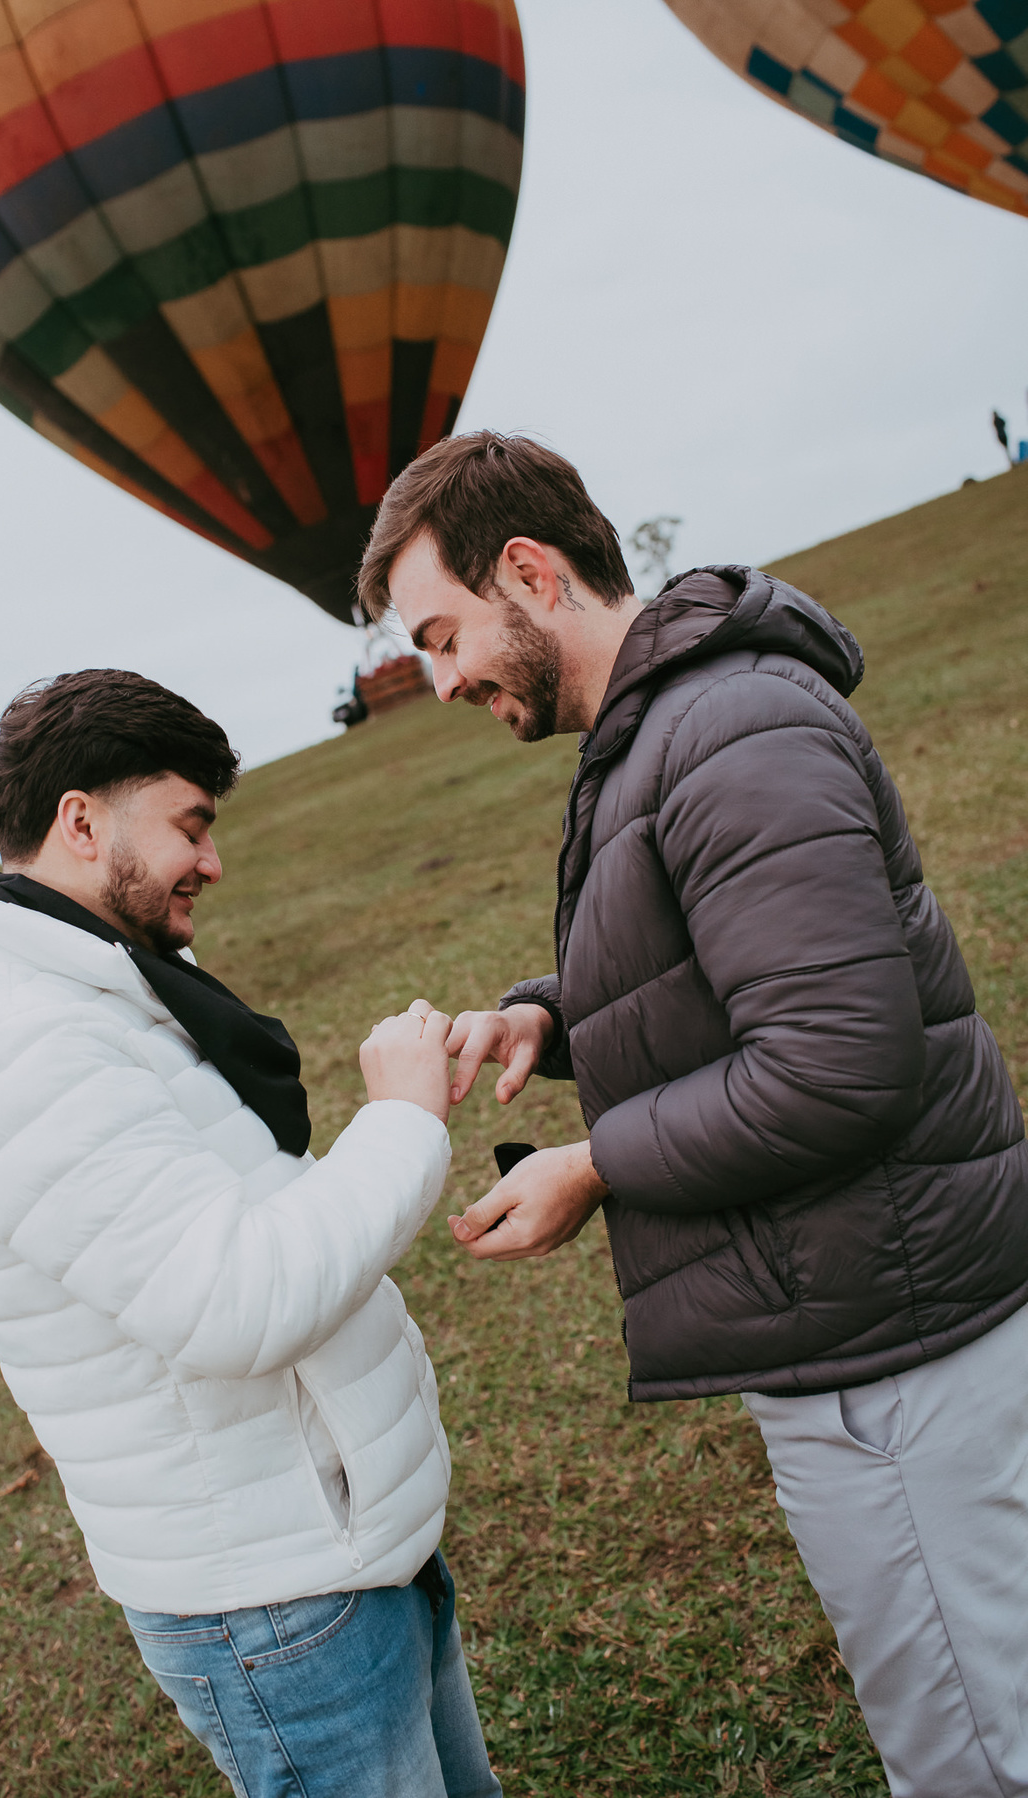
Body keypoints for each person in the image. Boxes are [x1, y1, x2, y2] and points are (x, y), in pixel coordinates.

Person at [360, 431, 1028, 1798]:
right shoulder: (664, 726)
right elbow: (722, 945)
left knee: (970, 1748)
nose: (434, 682)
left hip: (891, 1353)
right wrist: (549, 1014)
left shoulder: (723, 728)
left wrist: (595, 1164)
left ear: (531, 573)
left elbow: (835, 1063)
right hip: (862, 1311)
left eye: (441, 632)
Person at [0, 668, 500, 1798]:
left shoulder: (113, 995)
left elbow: (239, 1219)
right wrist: (405, 1119)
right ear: (81, 821)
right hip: (278, 1603)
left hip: (346, 1553)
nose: (213, 862)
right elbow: (237, 1299)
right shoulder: (21, 1044)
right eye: (191, 825)